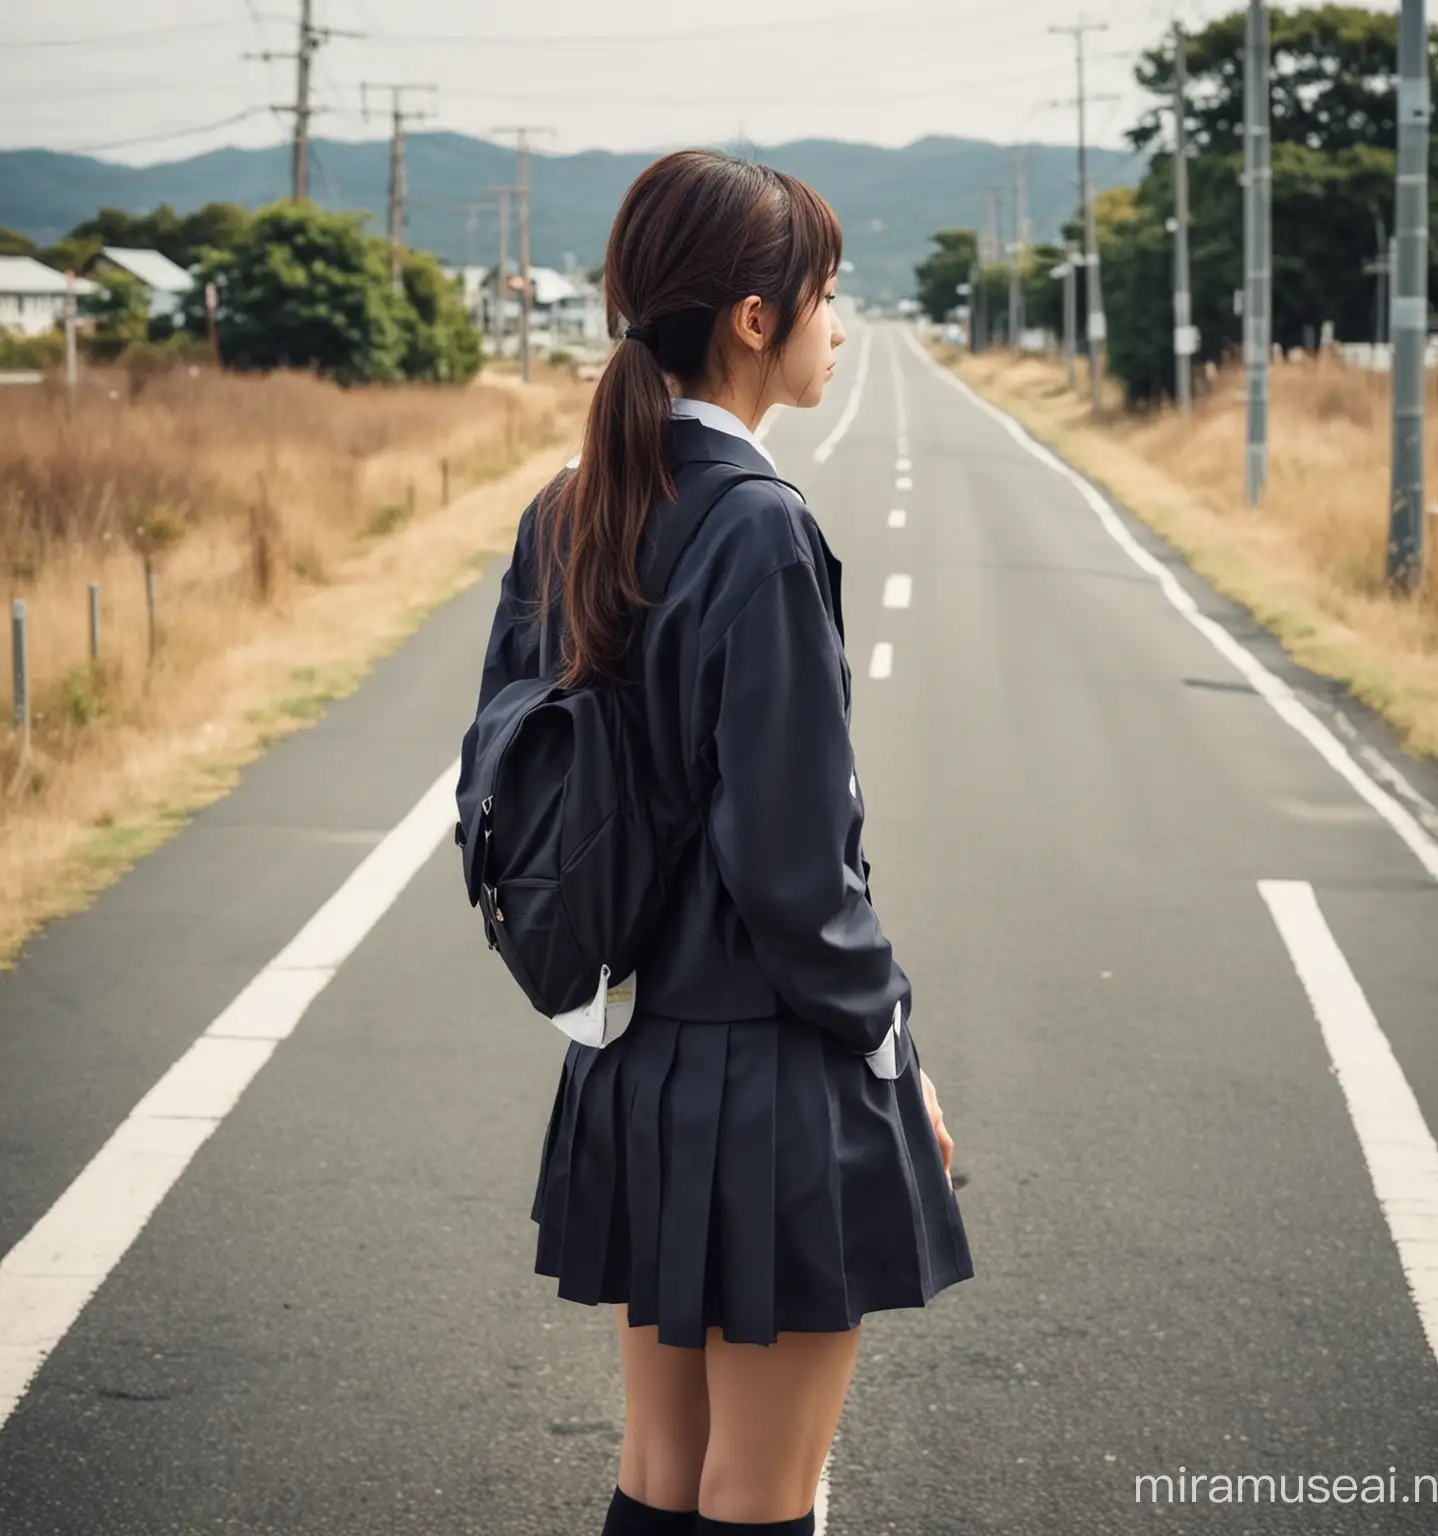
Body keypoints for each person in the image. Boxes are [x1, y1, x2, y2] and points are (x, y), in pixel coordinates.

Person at [470, 148, 974, 1535]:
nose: (839, 323)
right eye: (827, 295)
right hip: (767, 1078)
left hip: (629, 1064)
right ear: (754, 318)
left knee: (661, 1477)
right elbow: (794, 871)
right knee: (763, 1496)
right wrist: (892, 1042)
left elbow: (515, 787)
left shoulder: (569, 508)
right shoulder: (757, 529)